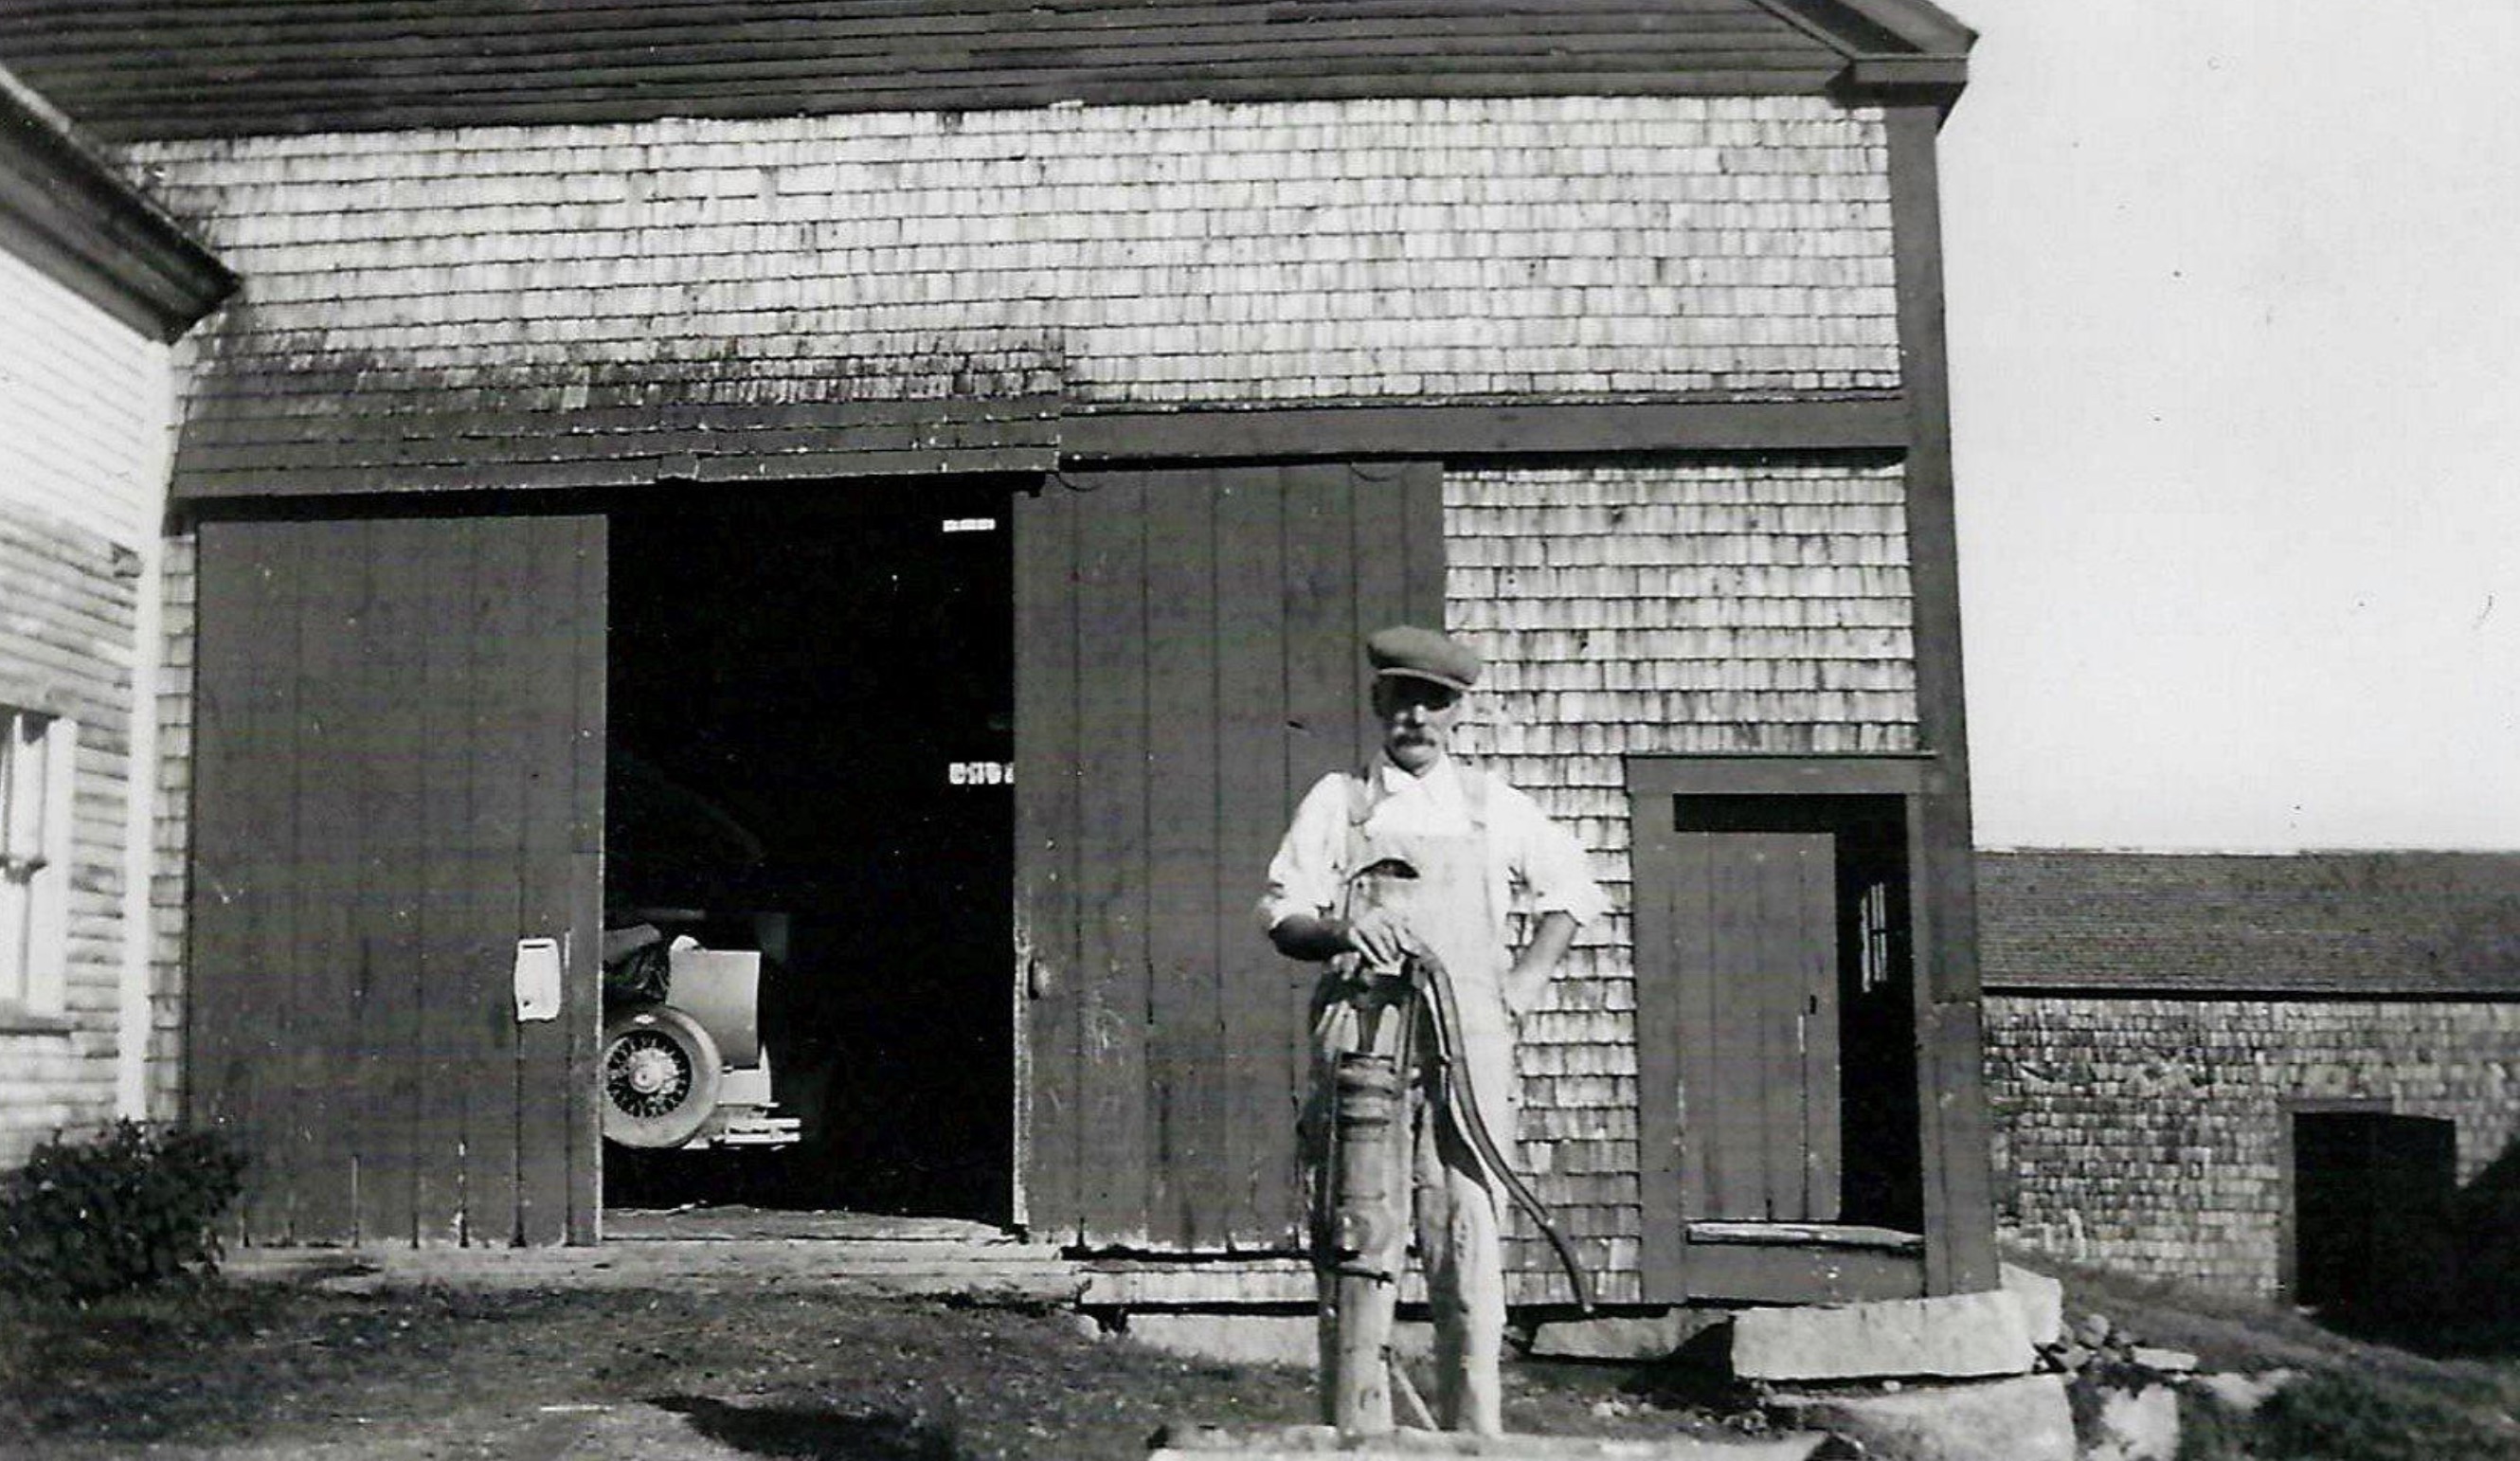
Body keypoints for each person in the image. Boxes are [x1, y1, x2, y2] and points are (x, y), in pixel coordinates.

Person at [1260, 624, 1607, 1434]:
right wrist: (1342, 932)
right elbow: (1282, 915)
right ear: (1379, 704)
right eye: (1401, 699)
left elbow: (1575, 892)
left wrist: (1523, 985)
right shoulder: (1338, 803)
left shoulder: (1493, 808)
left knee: (1467, 1246)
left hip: (1469, 1053)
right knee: (1357, 1242)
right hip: (1363, 1047)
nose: (1415, 717)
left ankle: (1474, 1439)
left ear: (1456, 715)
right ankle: (1357, 1435)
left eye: (1434, 702)